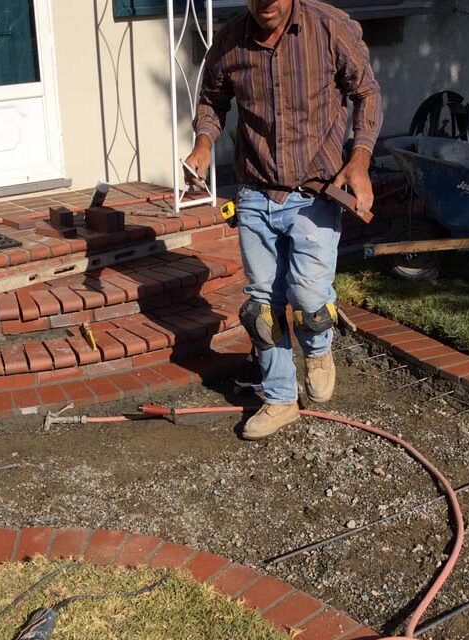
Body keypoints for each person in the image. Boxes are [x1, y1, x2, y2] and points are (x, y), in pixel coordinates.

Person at [184, 0, 382, 440]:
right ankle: (279, 399)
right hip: (255, 191)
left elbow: (366, 92)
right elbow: (213, 100)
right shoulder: (231, 39)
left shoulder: (329, 29)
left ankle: (318, 348)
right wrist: (202, 143)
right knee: (261, 305)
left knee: (310, 299)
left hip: (315, 191)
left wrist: (361, 159)